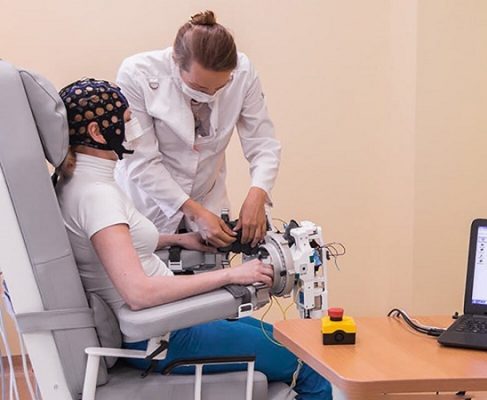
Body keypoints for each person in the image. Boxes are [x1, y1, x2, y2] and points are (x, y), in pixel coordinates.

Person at [55, 78, 332, 399]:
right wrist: (232, 275)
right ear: (97, 132)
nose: (135, 129)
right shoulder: (97, 196)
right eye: (127, 121)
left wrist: (180, 240)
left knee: (288, 340)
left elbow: (114, 247)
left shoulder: (78, 184)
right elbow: (138, 293)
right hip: (164, 335)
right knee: (309, 366)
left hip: (168, 322)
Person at [115, 10, 280, 249]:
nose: (209, 95)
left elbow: (263, 143)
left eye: (220, 87)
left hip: (209, 200)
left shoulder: (243, 73)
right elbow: (141, 161)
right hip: (149, 206)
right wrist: (195, 212)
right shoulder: (137, 73)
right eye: (199, 87)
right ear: (176, 61)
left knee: (214, 270)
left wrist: (258, 193)